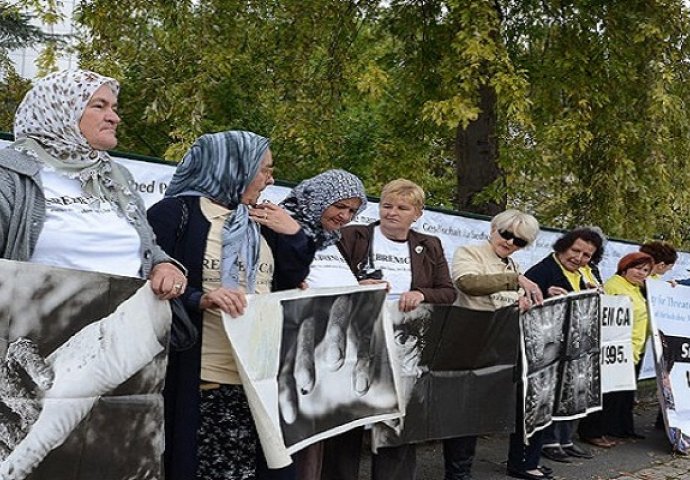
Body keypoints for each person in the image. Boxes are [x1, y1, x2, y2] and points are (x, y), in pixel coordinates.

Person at [147, 131, 305, 480]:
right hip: (202, 379)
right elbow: (147, 281)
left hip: (257, 381)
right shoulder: (174, 213)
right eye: (263, 169)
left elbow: (289, 283)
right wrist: (199, 298)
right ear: (233, 167)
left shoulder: (258, 221)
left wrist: (294, 234)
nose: (270, 179)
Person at [0, 69, 187, 296]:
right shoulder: (10, 173)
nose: (114, 118)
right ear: (60, 109)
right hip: (38, 327)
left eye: (114, 108)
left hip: (123, 325)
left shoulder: (116, 176)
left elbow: (145, 247)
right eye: (99, 106)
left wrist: (163, 265)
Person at [321, 178, 457, 480]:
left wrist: (422, 294)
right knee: (348, 419)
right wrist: (357, 287)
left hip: (404, 347)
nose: (392, 212)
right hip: (356, 340)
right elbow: (326, 277)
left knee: (397, 422)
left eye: (402, 207)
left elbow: (448, 292)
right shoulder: (352, 236)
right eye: (386, 205)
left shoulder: (429, 245)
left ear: (417, 213)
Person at [275, 169, 368, 480]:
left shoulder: (331, 238)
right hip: (283, 348)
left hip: (320, 352)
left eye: (352, 210)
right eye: (339, 206)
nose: (345, 216)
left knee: (312, 440)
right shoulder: (281, 225)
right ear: (320, 199)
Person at [450, 209, 545, 480]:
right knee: (465, 415)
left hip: (500, 346)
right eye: (506, 234)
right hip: (470, 342)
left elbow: (507, 300)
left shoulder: (513, 266)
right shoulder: (470, 251)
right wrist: (515, 281)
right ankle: (458, 474)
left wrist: (522, 302)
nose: (510, 242)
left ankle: (504, 464)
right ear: (494, 229)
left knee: (484, 413)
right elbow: (467, 283)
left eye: (520, 241)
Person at [524, 228, 605, 464]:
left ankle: (565, 439)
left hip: (577, 345)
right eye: (575, 250)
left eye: (586, 255)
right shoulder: (543, 270)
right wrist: (547, 297)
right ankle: (549, 441)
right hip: (550, 347)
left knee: (572, 391)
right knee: (551, 393)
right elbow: (527, 302)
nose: (579, 258)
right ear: (563, 247)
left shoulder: (587, 274)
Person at [601, 252, 654, 440]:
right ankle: (604, 430)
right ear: (625, 267)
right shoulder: (614, 285)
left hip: (635, 349)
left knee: (626, 395)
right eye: (637, 268)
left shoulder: (638, 287)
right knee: (612, 395)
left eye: (646, 270)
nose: (641, 273)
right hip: (619, 349)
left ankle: (623, 428)